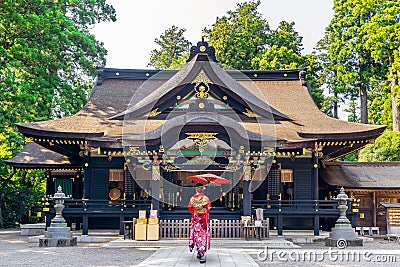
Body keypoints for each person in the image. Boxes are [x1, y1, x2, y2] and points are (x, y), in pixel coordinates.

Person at [188, 186, 211, 264]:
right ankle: (202, 254)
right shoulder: (206, 198)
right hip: (203, 219)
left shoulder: (192, 198)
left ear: (196, 189)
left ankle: (199, 252)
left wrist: (196, 209)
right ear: (202, 190)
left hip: (196, 219)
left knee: (197, 236)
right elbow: (209, 207)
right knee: (203, 236)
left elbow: (190, 207)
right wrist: (203, 208)